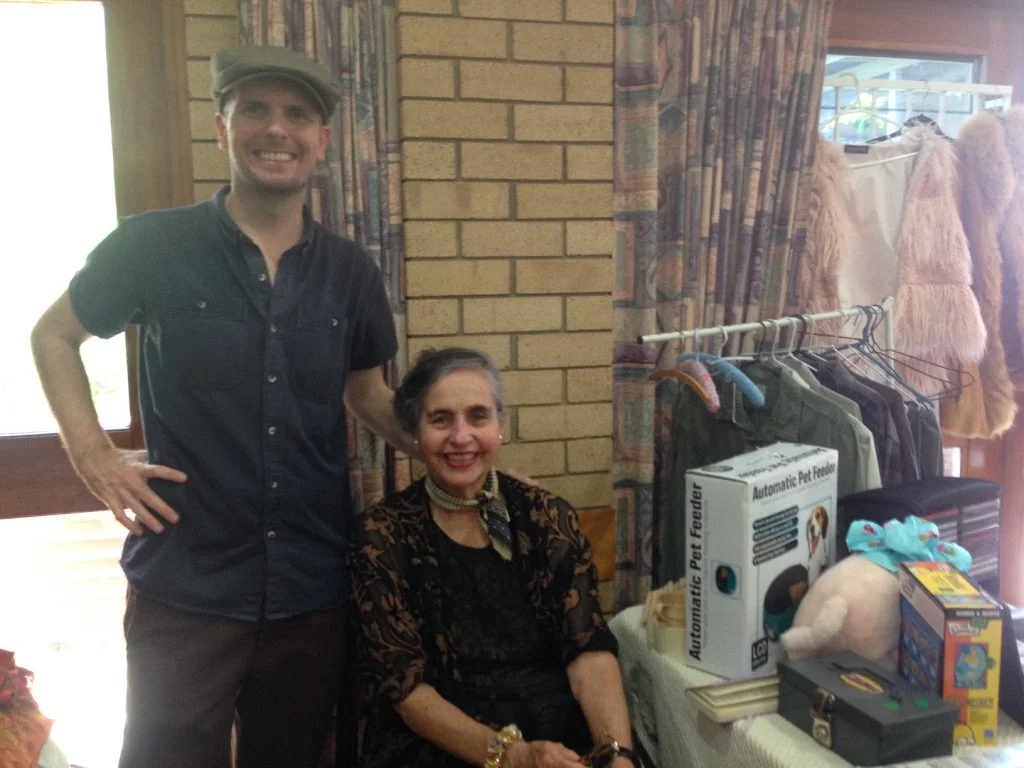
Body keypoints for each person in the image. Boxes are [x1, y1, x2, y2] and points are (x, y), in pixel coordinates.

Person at [30, 46, 412, 768]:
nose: (277, 129)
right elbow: (53, 335)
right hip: (186, 586)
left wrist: (460, 453)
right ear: (221, 128)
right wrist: (93, 457)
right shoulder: (151, 245)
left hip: (311, 589)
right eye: (255, 110)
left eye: (297, 115)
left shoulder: (351, 272)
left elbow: (368, 397)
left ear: (322, 140)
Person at [349, 347, 638, 768]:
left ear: (501, 426)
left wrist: (617, 754)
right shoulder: (382, 535)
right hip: (443, 745)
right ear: (414, 432)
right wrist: (513, 756)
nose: (461, 436)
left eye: (478, 417)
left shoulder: (546, 517)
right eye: (440, 419)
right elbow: (407, 691)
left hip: (556, 736)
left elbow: (588, 652)